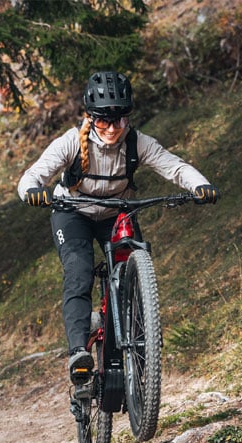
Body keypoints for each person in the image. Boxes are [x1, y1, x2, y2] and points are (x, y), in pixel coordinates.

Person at [16, 70, 218, 388]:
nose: (112, 129)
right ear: (90, 117)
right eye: (103, 122)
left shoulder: (138, 142)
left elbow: (174, 166)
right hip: (72, 213)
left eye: (119, 121)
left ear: (128, 119)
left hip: (116, 212)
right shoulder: (71, 142)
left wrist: (200, 185)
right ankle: (78, 354)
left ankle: (138, 328)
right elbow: (33, 175)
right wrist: (32, 191)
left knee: (133, 256)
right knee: (79, 272)